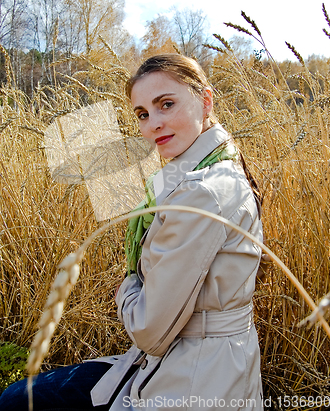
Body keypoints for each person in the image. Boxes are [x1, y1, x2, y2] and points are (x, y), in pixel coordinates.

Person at [0, 54, 264, 410]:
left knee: (17, 402)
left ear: (206, 100)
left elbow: (150, 331)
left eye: (166, 105)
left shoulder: (202, 192)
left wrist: (125, 289)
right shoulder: (200, 172)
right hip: (187, 360)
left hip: (193, 377)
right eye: (142, 114)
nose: (153, 124)